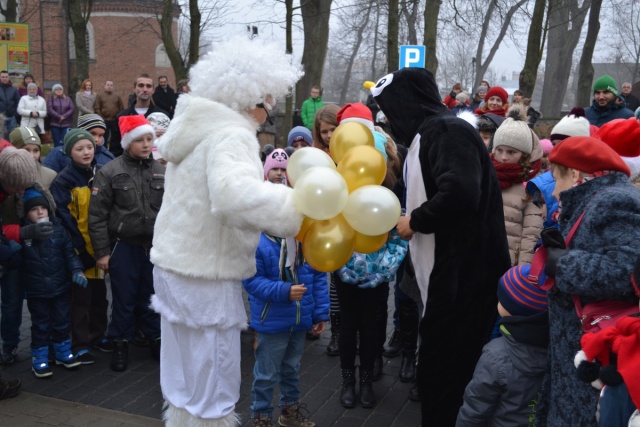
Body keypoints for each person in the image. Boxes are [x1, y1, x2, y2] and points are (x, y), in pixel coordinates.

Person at [149, 37, 303, 426]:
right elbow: (233, 197)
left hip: (174, 264)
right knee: (213, 377)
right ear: (248, 96)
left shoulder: (194, 129)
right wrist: (296, 209)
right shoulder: (231, 134)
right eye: (267, 102)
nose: (267, 112)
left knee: (182, 373)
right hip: (207, 273)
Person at [368, 67, 511, 427]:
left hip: (462, 281)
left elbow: (461, 191)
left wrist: (415, 220)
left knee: (445, 377)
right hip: (446, 279)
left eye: (389, 109)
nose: (388, 119)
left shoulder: (447, 131)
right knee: (440, 375)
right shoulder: (430, 134)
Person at [535, 136, 640, 426]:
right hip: (582, 345)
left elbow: (628, 271)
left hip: (595, 351)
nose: (554, 191)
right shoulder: (597, 198)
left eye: (556, 179)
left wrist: (563, 264)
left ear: (574, 173)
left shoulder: (614, 201)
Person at [334, 133, 407, 409]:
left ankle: (366, 381)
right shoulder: (342, 191)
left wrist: (383, 272)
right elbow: (331, 230)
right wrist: (341, 266)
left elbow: (398, 239)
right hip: (345, 276)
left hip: (376, 279)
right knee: (347, 327)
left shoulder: (390, 194)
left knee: (370, 328)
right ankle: (347, 381)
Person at [88, 115, 164, 372]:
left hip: (154, 248)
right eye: (139, 140)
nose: (146, 144)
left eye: (149, 139)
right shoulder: (110, 171)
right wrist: (102, 252)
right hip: (124, 246)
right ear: (127, 142)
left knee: (152, 296)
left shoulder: (161, 171)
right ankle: (120, 342)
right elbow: (97, 215)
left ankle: (156, 338)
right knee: (124, 298)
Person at [243, 221, 328, 426]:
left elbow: (318, 277)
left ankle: (289, 414)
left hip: (299, 321)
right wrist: (284, 291)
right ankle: (261, 417)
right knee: (266, 375)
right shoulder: (258, 243)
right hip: (271, 323)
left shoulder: (305, 241)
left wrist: (320, 314)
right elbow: (251, 280)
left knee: (291, 370)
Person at [456, 265, 549, 426]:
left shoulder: (495, 355)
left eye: (500, 299)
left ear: (512, 309)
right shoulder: (558, 349)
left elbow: (475, 409)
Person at [20, 187, 85, 377]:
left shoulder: (59, 230)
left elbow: (69, 254)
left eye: (43, 208)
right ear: (26, 214)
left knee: (62, 321)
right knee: (41, 324)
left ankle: (62, 352)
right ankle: (40, 357)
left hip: (60, 287)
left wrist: (77, 270)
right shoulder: (25, 234)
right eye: (34, 209)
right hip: (37, 291)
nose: (40, 212)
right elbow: (20, 262)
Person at [0, 146, 42, 368]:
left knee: (13, 301)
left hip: (12, 248)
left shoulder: (20, 168)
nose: (20, 191)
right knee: (10, 301)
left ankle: (10, 345)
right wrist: (18, 234)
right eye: (16, 188)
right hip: (8, 245)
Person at [491, 106, 543, 266]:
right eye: (499, 150)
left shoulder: (531, 185)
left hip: (509, 263)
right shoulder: (485, 175)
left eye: (511, 152)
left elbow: (531, 233)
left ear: (524, 154)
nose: (503, 157)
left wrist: (523, 270)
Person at [112, 74, 168, 157]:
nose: (145, 89)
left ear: (153, 90)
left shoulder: (163, 116)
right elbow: (115, 148)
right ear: (134, 88)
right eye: (141, 86)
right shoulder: (122, 117)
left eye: (148, 86)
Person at [43, 114, 115, 173]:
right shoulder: (58, 153)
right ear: (81, 132)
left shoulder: (108, 157)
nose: (97, 139)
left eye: (101, 135)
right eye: (93, 134)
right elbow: (47, 178)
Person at [94, 80, 125, 149]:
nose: (109, 87)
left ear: (113, 87)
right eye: (108, 85)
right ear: (104, 86)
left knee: (115, 137)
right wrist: (101, 118)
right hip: (104, 120)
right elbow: (97, 107)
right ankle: (104, 149)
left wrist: (119, 117)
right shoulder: (100, 96)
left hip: (115, 120)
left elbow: (121, 108)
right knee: (104, 136)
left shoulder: (117, 96)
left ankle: (113, 151)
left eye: (111, 85)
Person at [0, 70, 21, 138]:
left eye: (6, 77)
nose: (5, 78)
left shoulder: (13, 90)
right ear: (0, 78)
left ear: (8, 78)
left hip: (12, 117)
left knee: (12, 136)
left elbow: (18, 102)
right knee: (1, 137)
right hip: (0, 117)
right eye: (3, 77)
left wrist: (15, 113)